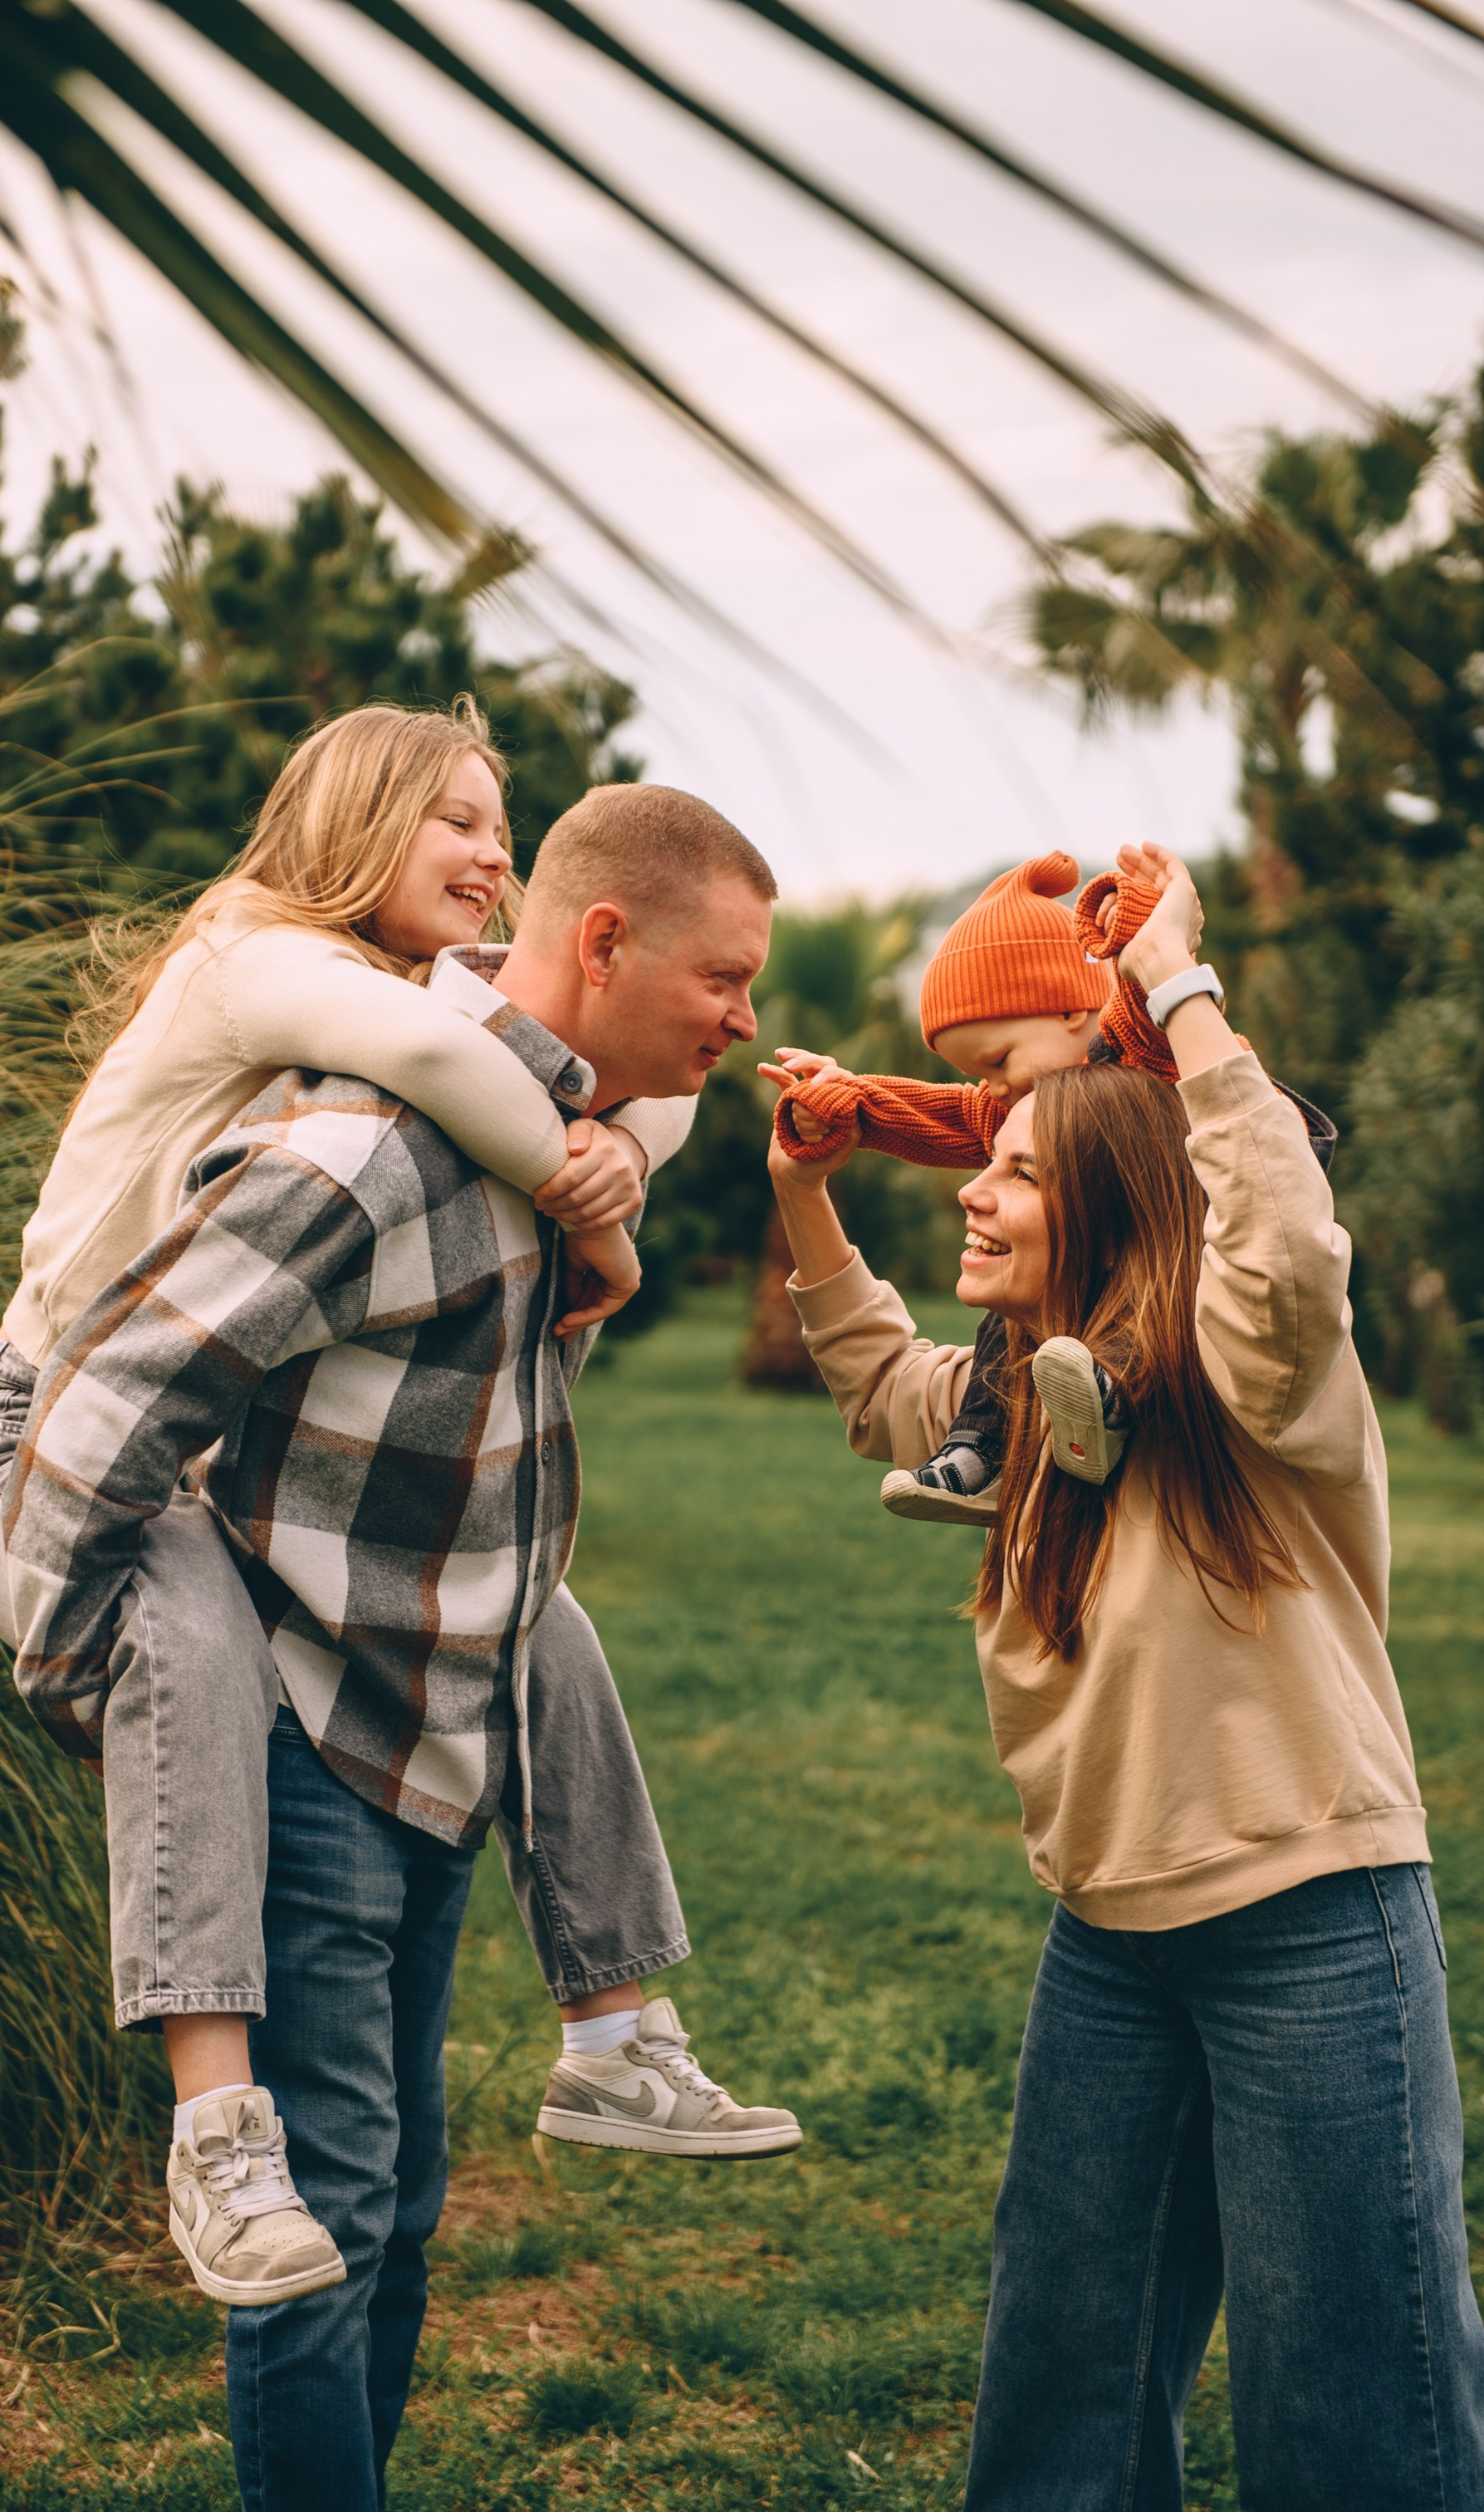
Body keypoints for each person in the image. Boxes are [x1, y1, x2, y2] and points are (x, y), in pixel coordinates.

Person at [0, 712, 800, 2312]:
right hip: (45, 1429)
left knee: (540, 1613)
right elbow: (468, 1063)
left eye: (502, 823)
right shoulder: (253, 955)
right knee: (190, 1634)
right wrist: (594, 1198)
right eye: (454, 816)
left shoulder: (395, 990)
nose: (492, 852)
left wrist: (615, 1136)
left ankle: (613, 2026)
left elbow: (606, 1070)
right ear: (353, 816)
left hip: (165, 1438)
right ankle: (214, 2127)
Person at [766, 841, 1484, 2511]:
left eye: (1015, 1169)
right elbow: (874, 1379)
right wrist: (805, 1187)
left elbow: (1281, 1247)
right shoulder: (1024, 1396)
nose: (974, 1185)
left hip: (1309, 1916)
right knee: (1061, 2388)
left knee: (1349, 2402)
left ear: (1105, 1197)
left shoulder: (1253, 1381)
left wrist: (1180, 987)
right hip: (1106, 1936)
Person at [767, 847, 1335, 1523]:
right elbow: (939, 1117)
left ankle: (1117, 1389)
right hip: (1095, 1331)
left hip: (1216, 1244)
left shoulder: (1138, 1056)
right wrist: (851, 1106)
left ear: (1070, 1012)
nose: (991, 1088)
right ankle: (983, 1447)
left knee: (1152, 1295)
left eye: (998, 1060)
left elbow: (1139, 998)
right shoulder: (1024, 1113)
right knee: (1008, 1323)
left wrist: (1143, 932)